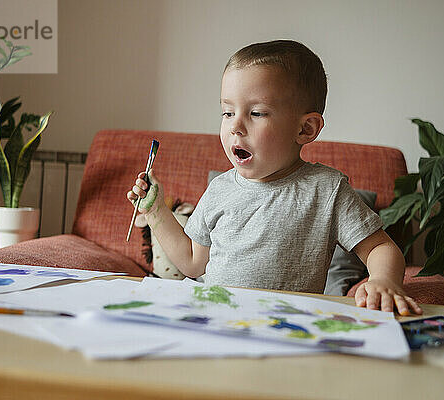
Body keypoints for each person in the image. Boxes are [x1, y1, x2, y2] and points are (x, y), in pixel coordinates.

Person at [127, 40, 422, 316]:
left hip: (287, 327)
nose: (236, 127)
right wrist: (155, 211)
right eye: (227, 113)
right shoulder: (219, 190)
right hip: (217, 320)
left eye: (256, 113)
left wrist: (384, 280)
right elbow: (192, 261)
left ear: (305, 129)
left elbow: (381, 248)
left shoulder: (326, 190)